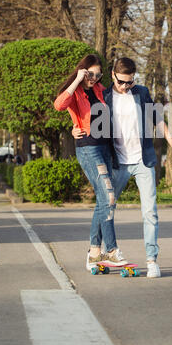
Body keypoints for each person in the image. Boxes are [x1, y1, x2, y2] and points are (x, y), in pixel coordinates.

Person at [72, 57, 172, 278]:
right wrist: (74, 129)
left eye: (130, 82)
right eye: (122, 82)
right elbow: (84, 114)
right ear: (113, 75)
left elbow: (158, 119)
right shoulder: (102, 95)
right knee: (106, 206)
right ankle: (96, 251)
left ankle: (152, 260)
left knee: (150, 212)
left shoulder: (141, 93)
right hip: (117, 162)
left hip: (143, 161)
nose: (125, 86)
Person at [54, 54, 128, 271]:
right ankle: (112, 251)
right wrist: (77, 80)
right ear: (82, 71)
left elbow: (118, 100)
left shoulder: (100, 90)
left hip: (106, 148)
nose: (93, 78)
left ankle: (95, 252)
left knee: (103, 200)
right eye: (90, 74)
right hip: (88, 148)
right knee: (109, 196)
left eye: (97, 75)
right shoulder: (76, 91)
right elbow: (59, 105)